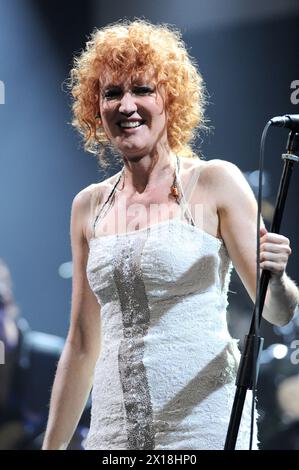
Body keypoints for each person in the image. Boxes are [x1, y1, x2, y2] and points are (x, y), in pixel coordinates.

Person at [42, 19, 299, 450]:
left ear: (170, 100)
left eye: (142, 90)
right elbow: (83, 344)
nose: (126, 106)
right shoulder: (88, 205)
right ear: (95, 107)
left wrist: (279, 278)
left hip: (202, 428)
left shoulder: (216, 181)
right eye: (112, 93)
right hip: (114, 434)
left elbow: (277, 312)